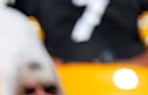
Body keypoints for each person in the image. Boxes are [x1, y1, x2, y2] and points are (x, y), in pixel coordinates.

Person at [11, 0, 147, 64]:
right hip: (59, 81)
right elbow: (8, 32)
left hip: (126, 79)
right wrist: (44, 64)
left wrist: (134, 64)